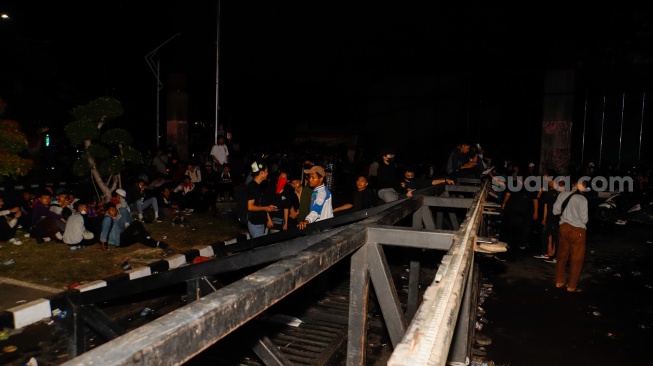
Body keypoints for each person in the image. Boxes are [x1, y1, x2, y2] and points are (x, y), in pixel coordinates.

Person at [553, 177, 589, 293]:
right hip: (577, 230)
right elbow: (584, 220)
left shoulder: (563, 194)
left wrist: (565, 214)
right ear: (584, 187)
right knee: (576, 258)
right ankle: (571, 285)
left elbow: (555, 211)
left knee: (562, 255)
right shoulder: (582, 200)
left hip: (563, 227)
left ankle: (559, 281)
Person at [100, 202, 170, 253]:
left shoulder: (111, 218)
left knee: (138, 237)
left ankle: (157, 243)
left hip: (120, 243)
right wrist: (103, 246)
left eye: (114, 210)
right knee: (136, 223)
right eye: (112, 210)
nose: (114, 211)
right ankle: (147, 236)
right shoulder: (107, 219)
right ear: (107, 211)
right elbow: (104, 231)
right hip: (119, 240)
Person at [534, 169, 561, 262]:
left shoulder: (557, 191)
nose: (545, 179)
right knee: (547, 234)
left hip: (555, 217)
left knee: (555, 235)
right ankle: (548, 253)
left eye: (546, 177)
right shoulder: (551, 191)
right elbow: (546, 205)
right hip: (551, 216)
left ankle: (555, 256)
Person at [246, 161, 278, 238]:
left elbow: (258, 203)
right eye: (266, 171)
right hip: (255, 222)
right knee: (258, 248)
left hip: (258, 221)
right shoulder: (253, 187)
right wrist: (266, 208)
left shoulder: (257, 186)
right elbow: (250, 206)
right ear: (261, 173)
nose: (267, 173)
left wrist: (268, 207)